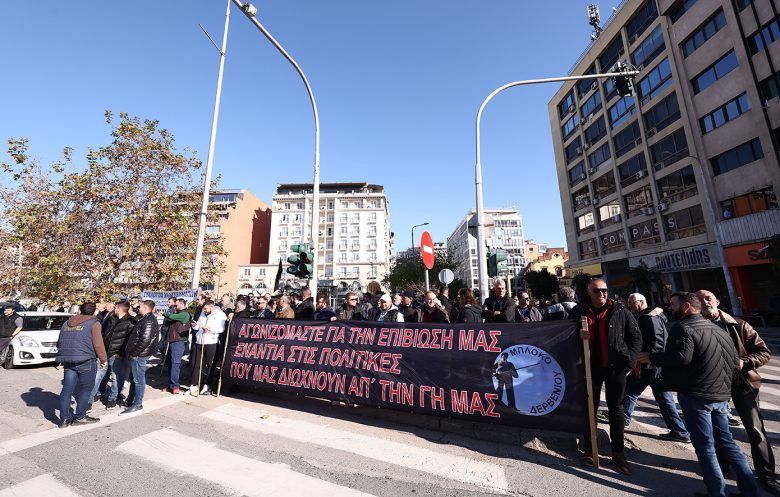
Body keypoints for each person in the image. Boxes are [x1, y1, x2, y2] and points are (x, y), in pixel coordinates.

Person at [639, 292, 758, 497]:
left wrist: (651, 357)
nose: (669, 307)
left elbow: (680, 358)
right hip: (720, 395)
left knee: (705, 447)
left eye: (672, 304)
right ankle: (750, 490)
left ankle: (717, 492)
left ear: (686, 306)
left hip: (697, 396)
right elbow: (733, 361)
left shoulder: (683, 328)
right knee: (727, 442)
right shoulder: (717, 328)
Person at [697, 289, 779, 495]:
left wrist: (745, 363)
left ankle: (766, 474)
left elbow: (763, 351)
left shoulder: (739, 325)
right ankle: (722, 467)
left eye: (708, 298)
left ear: (717, 301)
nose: (705, 302)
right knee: (718, 429)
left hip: (742, 382)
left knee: (755, 430)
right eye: (700, 300)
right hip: (714, 386)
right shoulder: (696, 326)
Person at [570, 278, 641, 475]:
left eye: (604, 290)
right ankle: (589, 449)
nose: (601, 293)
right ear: (589, 292)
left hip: (615, 368)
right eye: (597, 291)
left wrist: (629, 361)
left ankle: (618, 452)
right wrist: (578, 336)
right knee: (590, 407)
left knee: (616, 408)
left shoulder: (619, 310)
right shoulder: (578, 311)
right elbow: (565, 336)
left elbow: (635, 336)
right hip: (589, 368)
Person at [622, 293, 690, 443]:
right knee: (664, 399)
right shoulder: (652, 316)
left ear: (640, 302)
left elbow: (657, 341)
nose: (629, 306)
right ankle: (679, 431)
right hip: (655, 364)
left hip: (650, 364)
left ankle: (623, 419)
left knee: (630, 390)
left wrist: (650, 359)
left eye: (631, 303)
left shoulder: (649, 317)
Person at [56, 302, 108, 427]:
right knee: (86, 389)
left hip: (68, 360)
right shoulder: (94, 323)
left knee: (67, 389)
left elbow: (59, 342)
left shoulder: (66, 323)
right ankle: (80, 416)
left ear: (80, 310)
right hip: (86, 360)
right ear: (94, 312)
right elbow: (98, 344)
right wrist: (103, 359)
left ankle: (64, 419)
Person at [120, 300, 159, 414]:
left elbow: (145, 340)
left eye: (140, 306)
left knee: (138, 380)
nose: (138, 308)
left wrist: (134, 353)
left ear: (146, 308)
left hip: (139, 355)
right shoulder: (144, 318)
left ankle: (137, 404)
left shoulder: (149, 320)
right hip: (137, 354)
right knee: (135, 379)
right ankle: (130, 400)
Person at [190, 299, 227, 395]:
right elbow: (198, 326)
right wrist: (195, 325)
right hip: (199, 340)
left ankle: (207, 384)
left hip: (211, 342)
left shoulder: (221, 315)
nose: (204, 310)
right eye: (204, 309)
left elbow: (222, 329)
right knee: (195, 363)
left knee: (210, 364)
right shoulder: (203, 313)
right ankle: (194, 384)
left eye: (206, 309)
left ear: (211, 306)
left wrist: (210, 329)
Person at [101, 301, 133, 409]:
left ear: (119, 309)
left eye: (115, 308)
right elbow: (105, 333)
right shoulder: (112, 318)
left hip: (118, 354)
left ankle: (112, 399)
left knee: (116, 377)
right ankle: (100, 393)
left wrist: (120, 353)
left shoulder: (130, 321)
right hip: (107, 351)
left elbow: (129, 341)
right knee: (103, 374)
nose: (114, 309)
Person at [162, 298, 191, 395]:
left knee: (175, 364)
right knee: (171, 364)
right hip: (172, 340)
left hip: (179, 341)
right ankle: (171, 385)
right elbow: (168, 320)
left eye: (176, 305)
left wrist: (167, 314)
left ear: (182, 305)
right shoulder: (177, 313)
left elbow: (169, 315)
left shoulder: (184, 314)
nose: (175, 306)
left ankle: (175, 386)